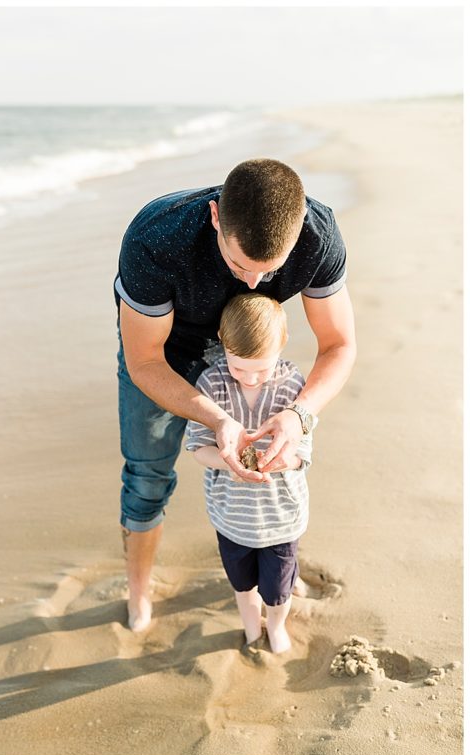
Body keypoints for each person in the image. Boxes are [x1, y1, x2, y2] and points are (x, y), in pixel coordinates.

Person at [115, 158, 356, 631]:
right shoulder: (155, 239)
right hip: (166, 351)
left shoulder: (319, 235)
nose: (250, 283)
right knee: (147, 476)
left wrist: (299, 415)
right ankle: (139, 593)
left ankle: (275, 565)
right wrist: (218, 420)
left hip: (254, 349)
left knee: (277, 455)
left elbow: (339, 345)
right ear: (215, 218)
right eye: (238, 265)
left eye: (268, 272)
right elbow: (144, 361)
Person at [185, 294, 311, 654]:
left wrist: (279, 459)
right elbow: (197, 448)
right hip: (231, 516)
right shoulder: (211, 385)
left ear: (282, 346)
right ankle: (251, 629)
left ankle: (276, 626)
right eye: (239, 368)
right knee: (243, 585)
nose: (251, 378)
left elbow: (303, 452)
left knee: (277, 589)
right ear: (223, 344)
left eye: (262, 369)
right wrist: (231, 463)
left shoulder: (291, 384)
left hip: (281, 516)